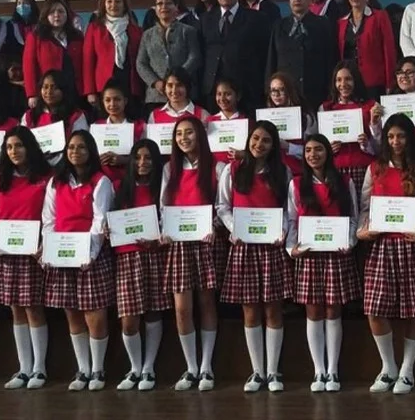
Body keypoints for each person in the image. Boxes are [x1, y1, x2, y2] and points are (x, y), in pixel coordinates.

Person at [356, 114, 415, 395]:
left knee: (414, 310)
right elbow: (365, 207)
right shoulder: (375, 168)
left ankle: (407, 370)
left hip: (413, 246)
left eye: (401, 136)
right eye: (390, 136)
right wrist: (363, 230)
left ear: (410, 138)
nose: (395, 142)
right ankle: (388, 366)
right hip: (381, 247)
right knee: (375, 309)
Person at [216, 121, 293, 392]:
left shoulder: (282, 172)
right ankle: (257, 372)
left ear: (273, 146)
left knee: (273, 309)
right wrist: (233, 228)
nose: (259, 144)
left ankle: (273, 372)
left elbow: (288, 209)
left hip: (271, 247)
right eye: (256, 139)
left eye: (266, 141)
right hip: (244, 246)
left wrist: (283, 231)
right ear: (249, 140)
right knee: (250, 310)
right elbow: (222, 206)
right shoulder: (233, 169)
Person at [284, 134, 359, 393]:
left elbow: (352, 217)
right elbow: (292, 220)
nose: (313, 154)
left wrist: (349, 241)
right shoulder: (296, 184)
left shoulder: (344, 181)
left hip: (336, 254)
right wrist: (291, 248)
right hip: (309, 255)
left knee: (333, 311)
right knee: (313, 311)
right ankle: (318, 371)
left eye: (318, 149)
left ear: (328, 152)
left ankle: (333, 370)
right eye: (308, 151)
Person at [41, 131, 115, 392]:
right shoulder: (56, 182)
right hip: (62, 254)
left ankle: (98, 368)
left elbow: (100, 220)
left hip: (89, 255)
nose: (75, 152)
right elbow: (49, 219)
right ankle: (82, 368)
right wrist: (49, 250)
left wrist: (91, 254)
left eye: (81, 147)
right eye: (71, 147)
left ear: (91, 151)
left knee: (94, 314)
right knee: (71, 312)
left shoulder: (101, 181)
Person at [0, 127, 51, 390]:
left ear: (30, 147)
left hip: (34, 252)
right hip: (6, 253)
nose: (14, 151)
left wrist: (45, 244)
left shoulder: (45, 177)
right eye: (9, 147)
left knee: (33, 309)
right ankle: (23, 368)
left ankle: (39, 368)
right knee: (15, 310)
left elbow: (49, 214)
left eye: (19, 146)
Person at [161, 118, 225, 391]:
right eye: (179, 133)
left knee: (207, 303)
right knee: (182, 308)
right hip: (179, 245)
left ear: (200, 135)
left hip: (206, 241)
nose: (184, 137)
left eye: (189, 132)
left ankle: (206, 366)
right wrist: (164, 230)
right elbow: (163, 206)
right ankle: (190, 367)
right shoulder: (169, 169)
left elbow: (223, 206)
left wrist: (215, 226)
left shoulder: (217, 168)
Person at [111, 139, 170, 392]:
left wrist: (160, 238)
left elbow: (168, 220)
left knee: (153, 312)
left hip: (155, 255)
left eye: (148, 158)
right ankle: (134, 367)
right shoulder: (119, 187)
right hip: (126, 257)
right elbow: (110, 221)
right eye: (137, 157)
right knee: (129, 320)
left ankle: (148, 368)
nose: (142, 163)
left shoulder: (162, 188)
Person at [200, 0, 271, 114]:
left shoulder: (256, 18)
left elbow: (265, 55)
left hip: (247, 89)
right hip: (213, 91)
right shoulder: (205, 19)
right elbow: (202, 53)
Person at [265, 0, 339, 108]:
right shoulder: (279, 26)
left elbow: (331, 59)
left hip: (316, 93)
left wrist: (331, 92)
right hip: (285, 95)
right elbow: (272, 61)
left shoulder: (323, 24)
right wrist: (268, 91)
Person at [137, 0, 203, 116]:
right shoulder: (147, 35)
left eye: (168, 3)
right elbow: (141, 63)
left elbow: (195, 57)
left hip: (184, 93)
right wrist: (156, 82)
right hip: (156, 95)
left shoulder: (188, 31)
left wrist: (176, 80)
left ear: (176, 7)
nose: (164, 7)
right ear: (155, 8)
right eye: (159, 4)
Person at [318, 61, 381, 185]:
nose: (343, 84)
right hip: (335, 168)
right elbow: (319, 144)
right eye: (339, 80)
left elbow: (380, 147)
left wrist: (366, 144)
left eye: (348, 79)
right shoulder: (325, 108)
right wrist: (327, 149)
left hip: (363, 167)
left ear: (356, 81)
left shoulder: (371, 107)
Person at [83, 0, 144, 109]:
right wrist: (90, 91)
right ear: (103, 5)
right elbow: (88, 61)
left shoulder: (135, 29)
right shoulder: (94, 28)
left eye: (118, 1)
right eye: (109, 1)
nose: (113, 5)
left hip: (129, 84)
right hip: (103, 86)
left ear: (124, 4)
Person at [337, 0, 396, 97]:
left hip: (375, 82)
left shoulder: (380, 17)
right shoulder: (341, 23)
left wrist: (390, 83)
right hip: (349, 84)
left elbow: (389, 51)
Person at [22, 0, 85, 104]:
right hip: (49, 93)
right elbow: (29, 67)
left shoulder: (77, 36)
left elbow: (85, 64)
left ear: (67, 15)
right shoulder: (36, 37)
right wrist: (32, 94)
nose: (57, 15)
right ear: (46, 15)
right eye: (52, 12)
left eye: (61, 11)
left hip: (75, 90)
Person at [21, 70, 90, 166]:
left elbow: (80, 145)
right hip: (35, 166)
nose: (49, 92)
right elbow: (22, 143)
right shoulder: (29, 116)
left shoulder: (76, 115)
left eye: (54, 87)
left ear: (63, 90)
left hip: (66, 166)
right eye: (45, 87)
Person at [94, 80, 145, 190]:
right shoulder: (96, 127)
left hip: (132, 182)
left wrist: (125, 160)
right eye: (107, 100)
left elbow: (147, 157)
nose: (112, 104)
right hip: (102, 183)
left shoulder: (139, 126)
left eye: (117, 99)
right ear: (102, 102)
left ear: (125, 101)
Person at [207, 77, 245, 165]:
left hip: (239, 169)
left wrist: (244, 154)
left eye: (227, 94)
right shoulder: (209, 121)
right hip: (213, 169)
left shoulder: (246, 122)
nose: (222, 98)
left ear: (238, 96)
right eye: (219, 94)